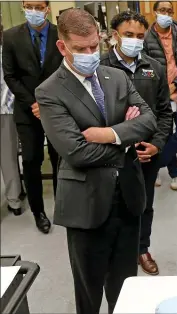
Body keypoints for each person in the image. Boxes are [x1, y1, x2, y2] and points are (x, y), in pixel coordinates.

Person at [35, 8, 157, 313]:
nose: (90, 54)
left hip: (128, 198)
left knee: (126, 288)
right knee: (89, 293)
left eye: (94, 46)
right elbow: (76, 151)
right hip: (85, 205)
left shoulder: (115, 76)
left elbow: (149, 120)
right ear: (63, 47)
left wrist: (108, 134)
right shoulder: (50, 92)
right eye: (80, 49)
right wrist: (127, 141)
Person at [100, 11, 173, 276]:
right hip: (110, 153)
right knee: (112, 205)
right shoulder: (100, 67)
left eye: (140, 36)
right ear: (115, 35)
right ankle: (117, 253)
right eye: (128, 35)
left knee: (143, 204)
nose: (134, 40)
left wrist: (157, 144)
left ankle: (142, 248)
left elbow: (165, 113)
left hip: (145, 153)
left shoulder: (154, 67)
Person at [2, 1, 62, 233]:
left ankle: (62, 207)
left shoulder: (61, 33)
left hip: (58, 108)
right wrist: (34, 103)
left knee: (60, 160)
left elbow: (67, 69)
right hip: (27, 110)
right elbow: (10, 76)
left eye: (38, 6)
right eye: (29, 5)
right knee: (30, 160)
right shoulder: (11, 37)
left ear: (47, 8)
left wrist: (50, 103)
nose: (33, 11)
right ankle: (39, 213)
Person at [143, 0, 177, 191]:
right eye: (162, 10)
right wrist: (160, 89)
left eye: (169, 11)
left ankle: (154, 165)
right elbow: (144, 69)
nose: (166, 14)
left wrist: (175, 85)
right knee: (162, 134)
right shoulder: (146, 37)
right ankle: (174, 172)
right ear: (155, 12)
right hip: (156, 95)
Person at [0, 22, 23, 216]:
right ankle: (14, 200)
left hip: (5, 109)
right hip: (5, 110)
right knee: (7, 158)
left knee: (8, 158)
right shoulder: (7, 51)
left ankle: (14, 199)